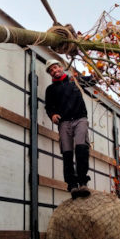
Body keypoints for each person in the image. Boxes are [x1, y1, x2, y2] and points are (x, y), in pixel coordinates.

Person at [44, 59, 96, 195]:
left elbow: (93, 80)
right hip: (64, 122)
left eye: (56, 68)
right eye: (51, 70)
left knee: (81, 149)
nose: (54, 71)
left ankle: (83, 182)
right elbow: (48, 107)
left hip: (80, 119)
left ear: (61, 67)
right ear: (50, 74)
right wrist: (53, 115)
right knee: (67, 154)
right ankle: (72, 185)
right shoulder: (50, 90)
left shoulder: (75, 80)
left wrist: (100, 70)